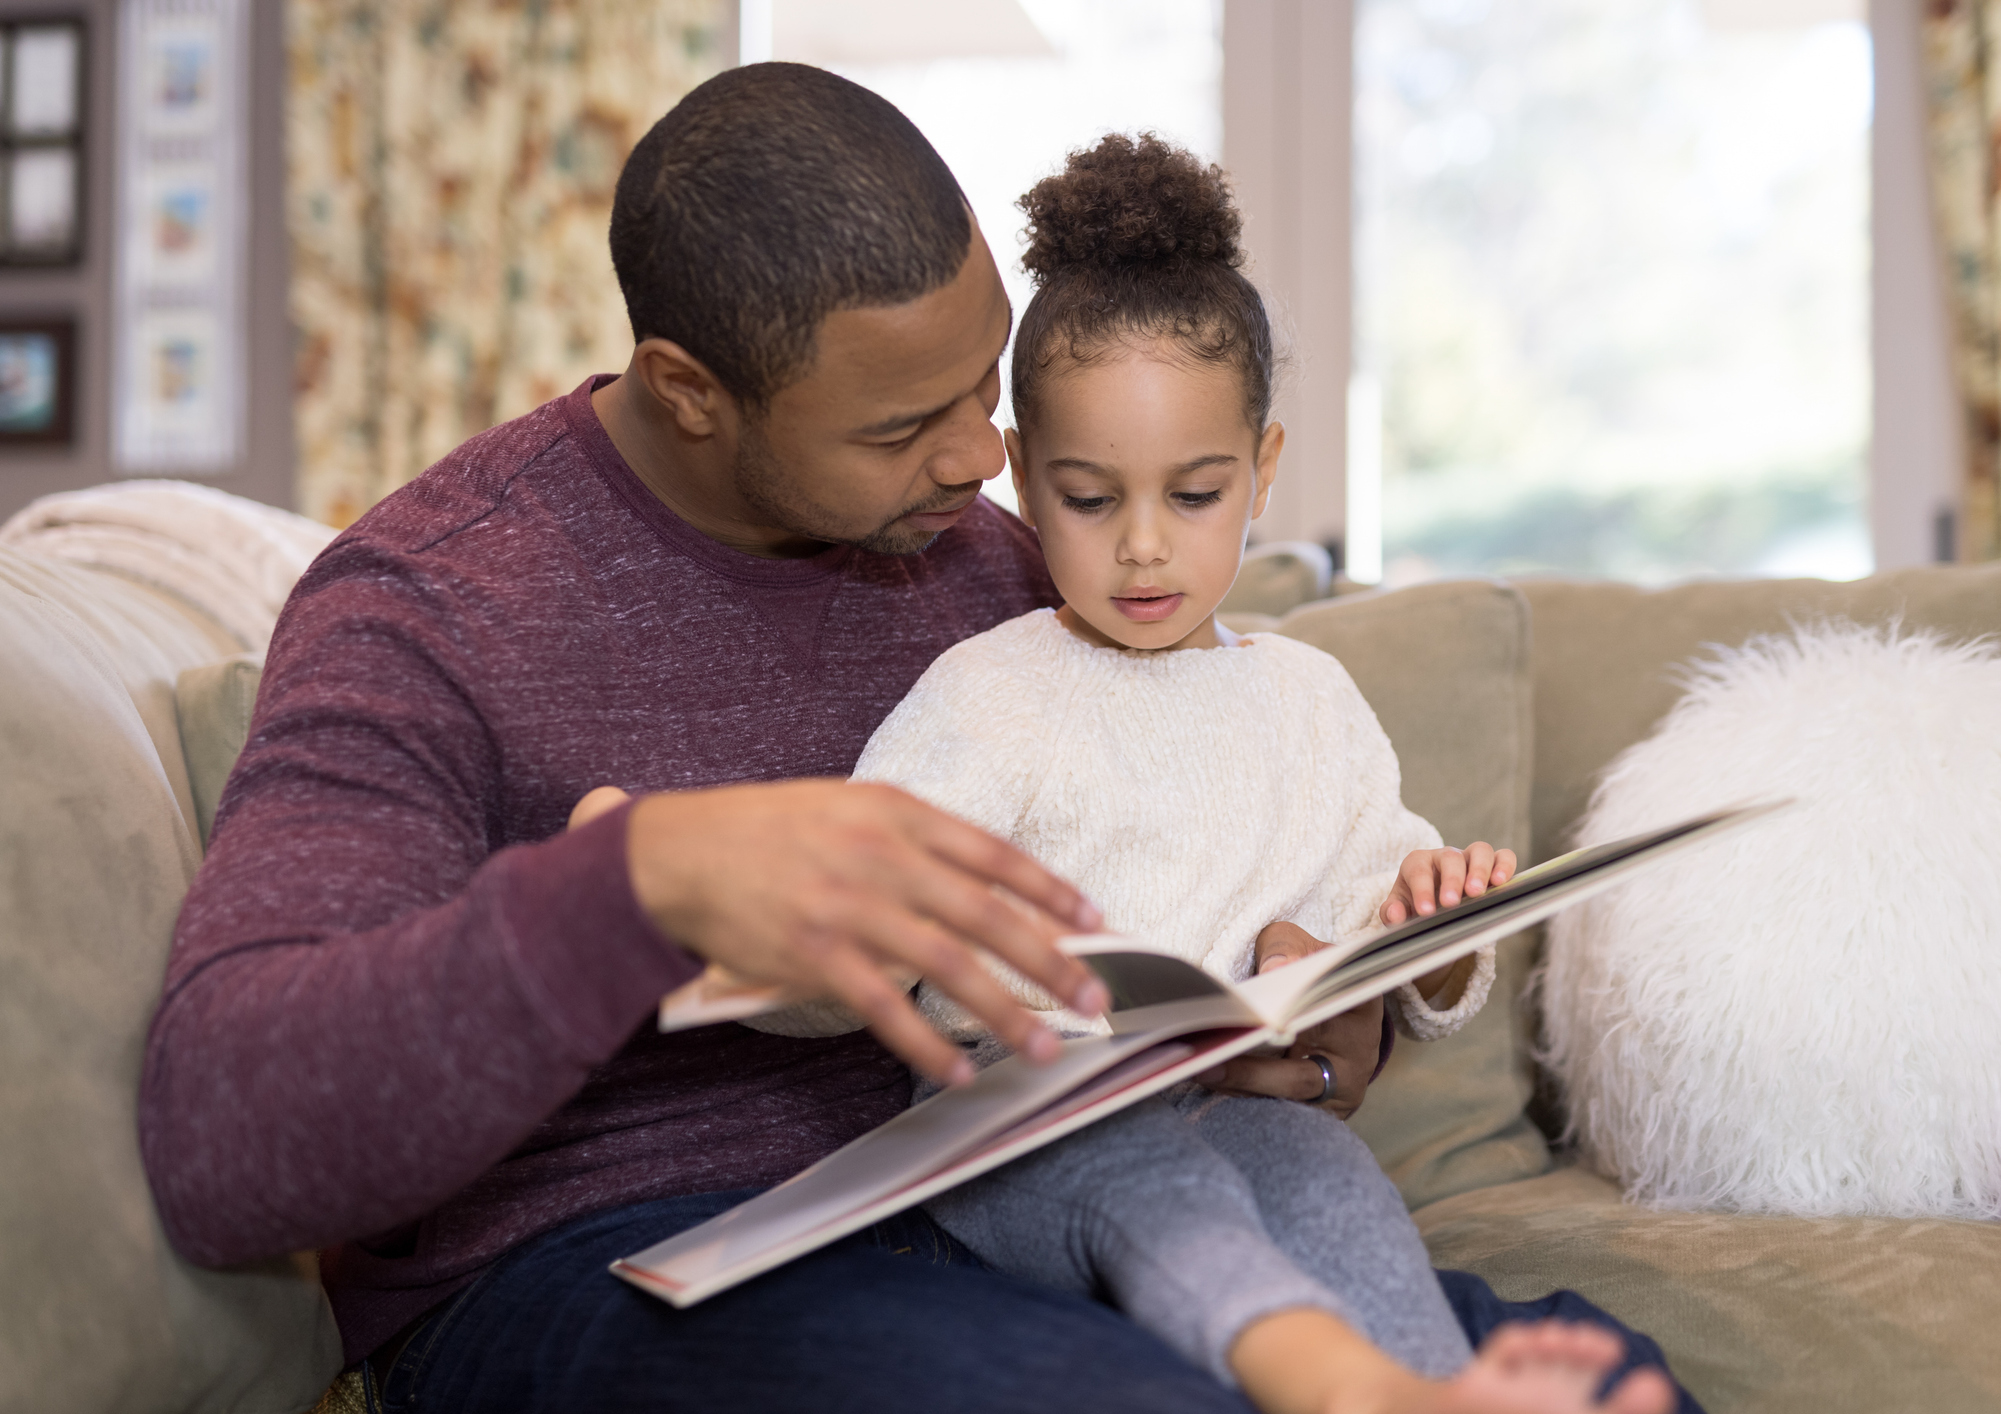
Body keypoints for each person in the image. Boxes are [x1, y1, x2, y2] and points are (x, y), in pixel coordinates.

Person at [139, 63, 1693, 1413]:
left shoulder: (997, 553)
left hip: (1016, 1201)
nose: (977, 461)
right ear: (691, 393)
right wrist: (628, 888)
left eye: (985, 388)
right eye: (899, 426)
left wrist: (1307, 1027)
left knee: (1607, 1374)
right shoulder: (426, 607)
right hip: (623, 1264)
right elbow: (225, 1136)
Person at [676, 133, 1673, 1414]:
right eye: (1091, 499)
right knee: (1157, 1175)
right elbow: (848, 912)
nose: (1144, 550)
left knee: (1323, 1180)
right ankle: (1338, 1385)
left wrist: (1435, 920)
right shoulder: (990, 692)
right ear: (1025, 481)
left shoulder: (1310, 702)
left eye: (1195, 494)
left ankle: (1428, 1387)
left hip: (1240, 1101)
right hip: (1016, 1134)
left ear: (1260, 471)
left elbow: (1386, 938)